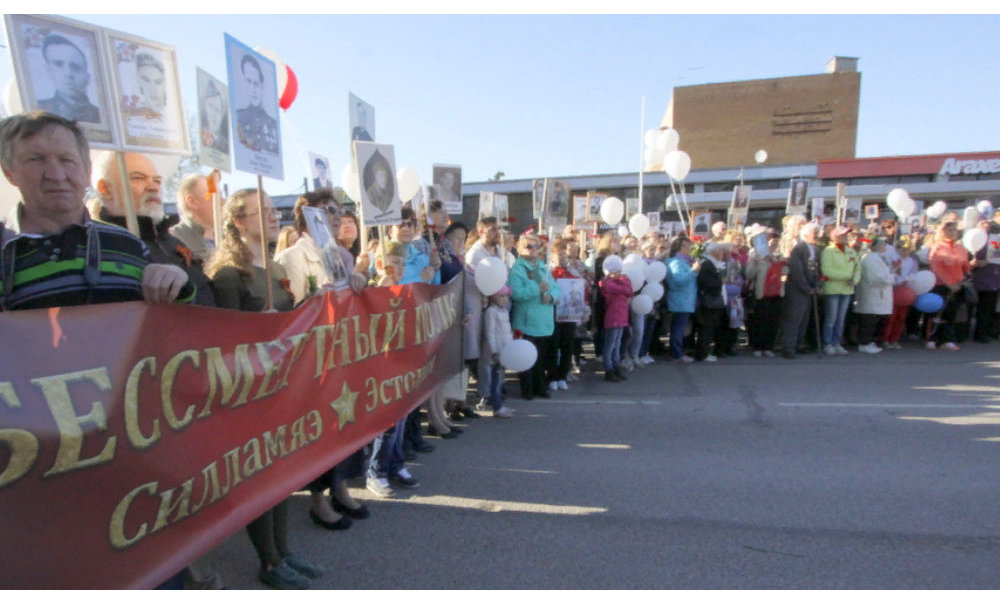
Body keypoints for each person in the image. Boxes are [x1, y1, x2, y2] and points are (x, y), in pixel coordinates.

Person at [205, 188, 321, 589]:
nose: (274, 216)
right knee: (258, 478)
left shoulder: (273, 269)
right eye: (263, 211)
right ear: (239, 221)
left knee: (282, 474)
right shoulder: (228, 274)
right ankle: (268, 562)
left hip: (280, 389)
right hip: (248, 396)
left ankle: (285, 551)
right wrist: (258, 329)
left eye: (274, 209)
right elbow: (220, 341)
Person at [0, 110, 190, 307]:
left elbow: (172, 328)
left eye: (67, 160)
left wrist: (176, 284)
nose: (56, 175)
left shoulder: (127, 246)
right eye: (36, 160)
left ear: (86, 171)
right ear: (9, 173)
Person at [90, 151, 214, 307]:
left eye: (157, 180)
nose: (153, 187)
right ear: (105, 189)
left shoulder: (174, 244)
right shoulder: (94, 248)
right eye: (138, 178)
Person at [274, 189, 365, 304]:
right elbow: (291, 314)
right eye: (330, 210)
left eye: (339, 212)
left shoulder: (342, 256)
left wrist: (357, 280)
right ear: (308, 216)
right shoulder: (292, 257)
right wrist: (317, 298)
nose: (338, 217)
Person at [509, 233, 560, 398]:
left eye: (535, 246)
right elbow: (516, 293)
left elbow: (555, 288)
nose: (532, 250)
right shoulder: (517, 268)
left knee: (541, 357)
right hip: (526, 321)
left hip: (543, 321)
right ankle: (527, 389)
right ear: (520, 248)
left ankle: (540, 386)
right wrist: (537, 288)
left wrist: (550, 296)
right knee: (526, 356)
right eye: (528, 246)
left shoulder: (543, 267)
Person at [927, 221, 971, 351]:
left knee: (951, 313)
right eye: (950, 230)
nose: (953, 233)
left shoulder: (960, 248)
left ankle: (947, 339)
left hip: (958, 285)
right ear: (943, 232)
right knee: (937, 313)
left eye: (955, 230)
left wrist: (971, 265)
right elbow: (935, 267)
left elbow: (964, 267)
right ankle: (932, 338)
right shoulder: (938, 247)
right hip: (941, 285)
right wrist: (948, 283)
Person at [780, 223, 821, 358]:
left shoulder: (814, 249)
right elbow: (797, 271)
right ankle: (788, 347)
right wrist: (806, 288)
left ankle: (799, 343)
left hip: (809, 288)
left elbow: (815, 269)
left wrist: (816, 285)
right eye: (814, 233)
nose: (817, 235)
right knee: (794, 319)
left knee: (804, 319)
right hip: (797, 289)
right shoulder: (799, 249)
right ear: (806, 234)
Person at [37, 35, 99, 123]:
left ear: (88, 78)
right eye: (58, 64)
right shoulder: (39, 110)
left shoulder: (100, 116)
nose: (68, 74)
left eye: (75, 67)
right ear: (48, 70)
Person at [820, 225, 861, 355]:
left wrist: (854, 280)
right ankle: (827, 343)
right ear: (835, 237)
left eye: (846, 235)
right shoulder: (828, 251)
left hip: (847, 289)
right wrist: (848, 276)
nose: (845, 237)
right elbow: (827, 271)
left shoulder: (851, 252)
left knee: (840, 319)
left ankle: (836, 342)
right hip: (833, 289)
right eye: (842, 235)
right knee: (831, 319)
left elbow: (858, 268)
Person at [744, 230, 784, 356]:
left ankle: (768, 347)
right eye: (772, 243)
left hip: (776, 293)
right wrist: (756, 262)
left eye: (776, 243)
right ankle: (757, 347)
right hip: (761, 293)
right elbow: (749, 274)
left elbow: (785, 272)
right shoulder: (756, 256)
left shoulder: (779, 256)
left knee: (773, 321)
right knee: (760, 320)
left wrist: (784, 266)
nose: (774, 246)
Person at [854, 238, 894, 353]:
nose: (885, 247)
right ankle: (864, 343)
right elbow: (876, 278)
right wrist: (892, 278)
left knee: (874, 319)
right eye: (883, 245)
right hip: (872, 294)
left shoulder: (877, 258)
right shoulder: (871, 259)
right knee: (868, 320)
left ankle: (869, 341)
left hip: (877, 294)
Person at [236, 54, 278, 155]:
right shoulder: (238, 117)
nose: (253, 90)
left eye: (256, 83)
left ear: (262, 85)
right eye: (249, 82)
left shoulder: (272, 123)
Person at [599, 254, 632, 381]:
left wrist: (622, 281)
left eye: (618, 271)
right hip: (612, 318)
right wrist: (620, 282)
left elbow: (629, 290)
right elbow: (622, 289)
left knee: (617, 344)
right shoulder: (607, 283)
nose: (617, 274)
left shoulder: (622, 281)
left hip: (622, 317)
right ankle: (609, 369)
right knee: (610, 345)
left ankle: (616, 366)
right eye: (614, 272)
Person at [483, 286, 515, 418]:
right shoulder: (491, 312)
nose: (504, 299)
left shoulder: (504, 311)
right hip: (496, 352)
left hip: (504, 350)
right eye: (501, 296)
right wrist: (494, 351)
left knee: (501, 379)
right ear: (493, 297)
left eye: (506, 296)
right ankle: (496, 406)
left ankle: (500, 404)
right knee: (495, 380)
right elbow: (490, 333)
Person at [665, 236, 698, 363]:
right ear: (678, 247)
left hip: (684, 300)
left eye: (689, 245)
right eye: (685, 245)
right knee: (678, 329)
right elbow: (679, 280)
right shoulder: (676, 262)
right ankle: (676, 354)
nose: (688, 248)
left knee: (679, 328)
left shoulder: (683, 261)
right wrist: (693, 271)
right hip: (680, 300)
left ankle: (677, 352)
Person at [169, 173, 215, 262]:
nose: (222, 202)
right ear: (192, 201)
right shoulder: (174, 237)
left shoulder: (229, 237)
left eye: (220, 196)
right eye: (212, 197)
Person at [695, 242, 729, 362]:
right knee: (707, 328)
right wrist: (720, 281)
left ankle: (704, 351)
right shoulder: (707, 264)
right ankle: (703, 353)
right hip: (708, 302)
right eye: (720, 251)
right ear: (713, 252)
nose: (722, 254)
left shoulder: (712, 264)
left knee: (711, 327)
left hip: (713, 301)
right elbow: (706, 283)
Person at [199, 80, 229, 154]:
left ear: (221, 113)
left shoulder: (226, 145)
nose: (213, 114)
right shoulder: (201, 138)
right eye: (210, 107)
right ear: (206, 110)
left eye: (216, 109)